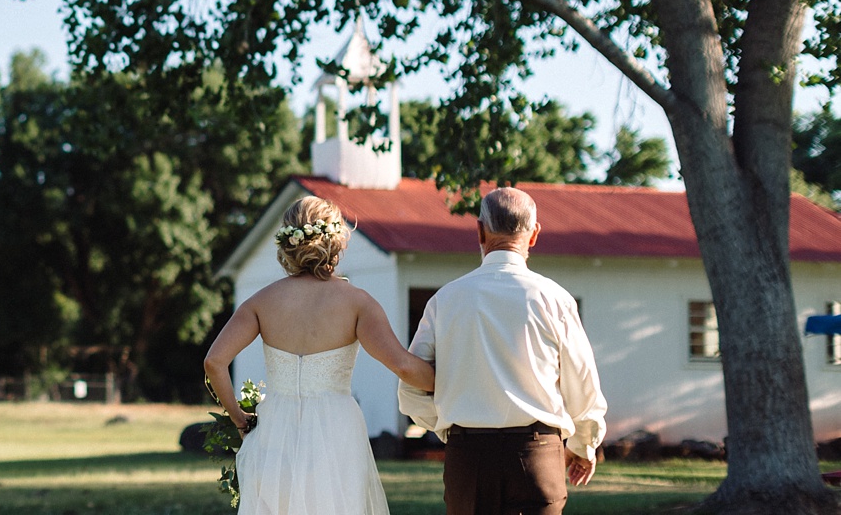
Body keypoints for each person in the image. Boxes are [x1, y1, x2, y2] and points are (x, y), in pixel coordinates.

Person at [205, 196, 435, 515]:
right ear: (336, 241)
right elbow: (402, 365)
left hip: (276, 427)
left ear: (288, 243)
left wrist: (239, 419)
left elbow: (214, 362)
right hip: (337, 427)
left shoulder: (261, 302)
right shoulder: (358, 303)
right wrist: (452, 380)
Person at [398, 187, 607, 515]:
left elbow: (410, 388)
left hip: (467, 457)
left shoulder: (445, 301)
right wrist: (584, 445)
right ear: (534, 234)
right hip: (537, 452)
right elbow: (583, 387)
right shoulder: (554, 300)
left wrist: (451, 426)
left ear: (479, 230)